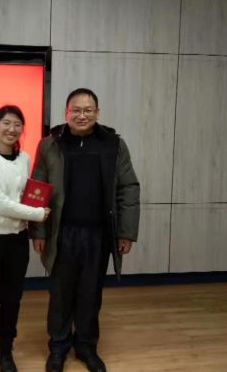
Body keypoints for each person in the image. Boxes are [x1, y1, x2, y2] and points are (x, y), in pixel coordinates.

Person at [29, 88, 140, 372]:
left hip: (98, 234)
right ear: (66, 113)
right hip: (61, 233)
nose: (82, 115)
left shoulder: (113, 145)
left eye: (88, 110)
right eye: (76, 110)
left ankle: (87, 346)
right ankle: (58, 347)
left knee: (91, 293)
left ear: (97, 113)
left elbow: (128, 188)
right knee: (60, 294)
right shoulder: (50, 145)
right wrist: (38, 232)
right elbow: (37, 188)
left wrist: (125, 232)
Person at [0, 105, 51, 372]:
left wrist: (35, 209)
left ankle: (5, 351)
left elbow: (24, 195)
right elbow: (0, 204)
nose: (11, 129)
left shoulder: (24, 159)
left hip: (17, 240)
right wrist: (38, 213)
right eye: (6, 123)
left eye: (17, 124)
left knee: (12, 300)